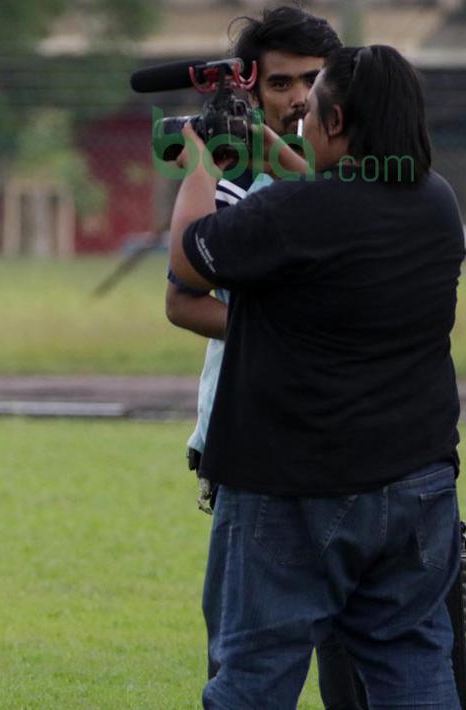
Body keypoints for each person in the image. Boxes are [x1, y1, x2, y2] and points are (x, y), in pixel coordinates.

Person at [169, 44, 464, 708]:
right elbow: (340, 203)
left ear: (335, 123)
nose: (299, 118)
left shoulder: (296, 213)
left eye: (312, 108)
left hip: (293, 485)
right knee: (413, 663)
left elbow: (188, 263)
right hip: (416, 482)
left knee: (254, 674)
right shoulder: (437, 203)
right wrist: (274, 152)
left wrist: (199, 164)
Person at [163, 7, 376, 708]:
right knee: (244, 659)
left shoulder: (368, 179)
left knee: (358, 662)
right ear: (252, 92)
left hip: (355, 450)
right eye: (280, 84)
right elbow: (183, 300)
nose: (298, 99)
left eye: (312, 81)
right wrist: (288, 332)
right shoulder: (229, 186)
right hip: (252, 443)